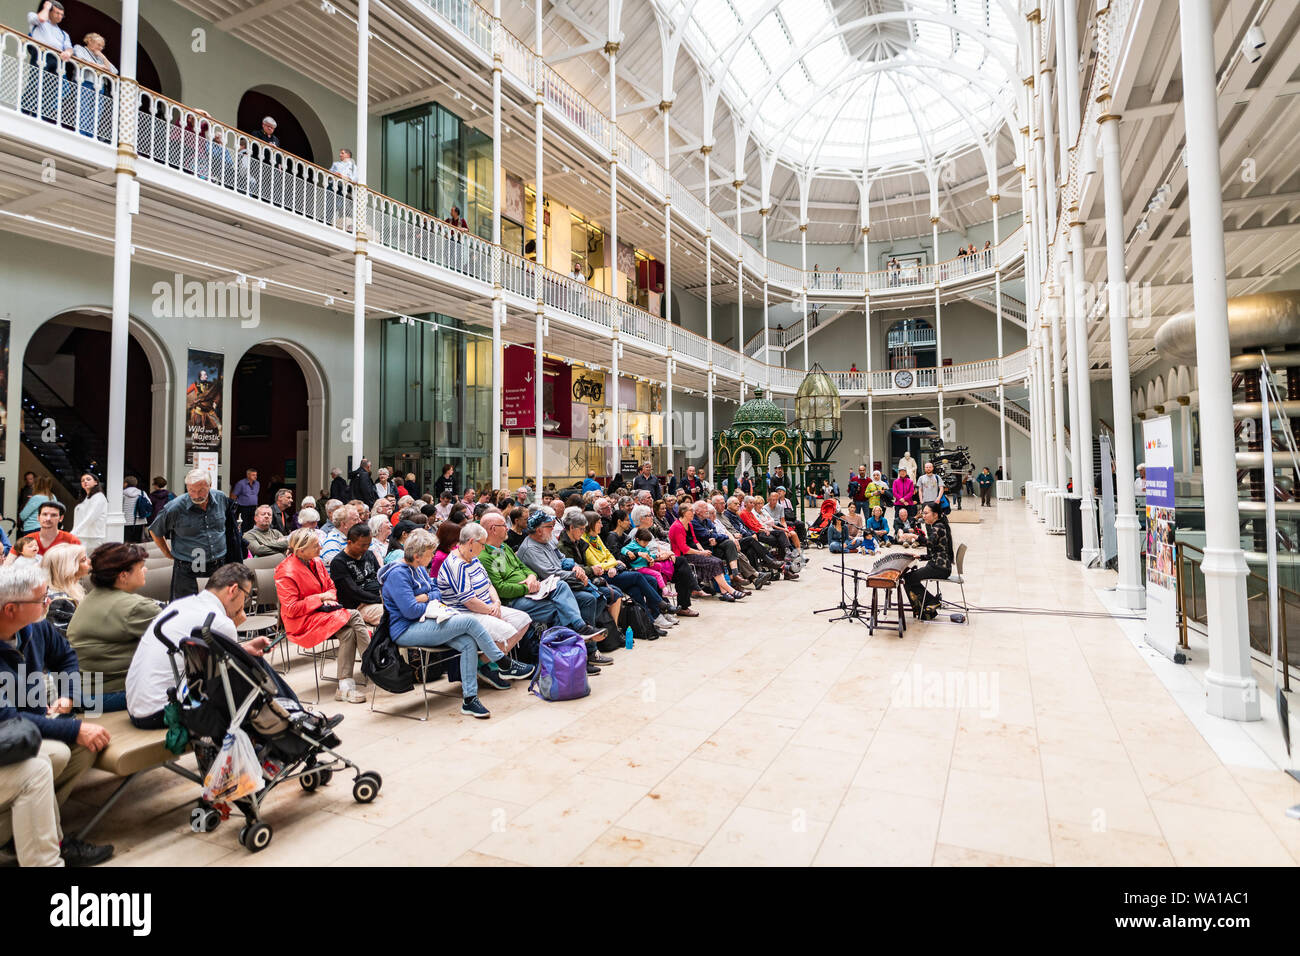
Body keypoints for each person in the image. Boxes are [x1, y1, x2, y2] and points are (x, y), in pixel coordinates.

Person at [0, 563, 114, 866]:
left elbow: (65, 656)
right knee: (40, 765)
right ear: (11, 609)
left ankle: (21, 835)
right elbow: (7, 717)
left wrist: (69, 695)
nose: (48, 603)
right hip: (9, 734)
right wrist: (74, 729)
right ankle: (45, 848)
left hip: (23, 733)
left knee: (78, 749)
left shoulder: (34, 626)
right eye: (41, 599)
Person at [382, 529, 530, 719]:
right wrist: (429, 600)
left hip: (426, 620)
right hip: (406, 629)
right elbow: (410, 611)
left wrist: (425, 597)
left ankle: (470, 699)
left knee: (468, 642)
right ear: (418, 555)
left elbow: (437, 592)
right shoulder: (398, 574)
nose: (433, 557)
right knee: (468, 621)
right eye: (430, 554)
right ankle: (503, 662)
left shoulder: (418, 567)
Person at [125, 564, 272, 733]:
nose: (244, 605)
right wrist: (234, 631)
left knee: (249, 665)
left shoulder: (180, 605)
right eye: (246, 597)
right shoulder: (220, 622)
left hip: (139, 706)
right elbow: (228, 679)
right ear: (233, 590)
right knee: (250, 683)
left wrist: (242, 649)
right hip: (162, 710)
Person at [478, 512, 605, 649]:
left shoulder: (504, 547)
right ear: (493, 529)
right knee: (560, 608)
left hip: (534, 589)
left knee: (563, 588)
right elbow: (501, 589)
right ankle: (570, 653)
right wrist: (528, 587)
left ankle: (580, 635)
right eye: (503, 525)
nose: (507, 527)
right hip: (516, 599)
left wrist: (531, 577)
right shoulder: (486, 556)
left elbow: (524, 568)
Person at [275, 528, 372, 703]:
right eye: (315, 545)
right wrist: (319, 598)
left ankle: (345, 687)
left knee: (348, 633)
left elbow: (331, 587)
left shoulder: (317, 561)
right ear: (300, 551)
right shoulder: (285, 571)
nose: (321, 547)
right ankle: (372, 661)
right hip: (302, 621)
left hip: (323, 612)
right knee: (355, 615)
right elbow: (290, 609)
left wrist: (328, 599)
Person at [65, 543, 159, 715]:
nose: (145, 571)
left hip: (82, 690)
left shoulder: (94, 596)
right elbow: (178, 632)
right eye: (141, 567)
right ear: (124, 576)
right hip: (104, 693)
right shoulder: (134, 607)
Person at [437, 522, 535, 652]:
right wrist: (491, 610)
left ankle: (488, 661)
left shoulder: (473, 557)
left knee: (523, 620)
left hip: (487, 606)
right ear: (471, 542)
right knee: (509, 631)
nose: (483, 548)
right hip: (466, 613)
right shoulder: (456, 565)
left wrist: (497, 602)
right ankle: (492, 665)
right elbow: (469, 602)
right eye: (482, 544)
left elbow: (488, 584)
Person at [149, 469, 230, 601]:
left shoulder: (221, 498)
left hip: (218, 565)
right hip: (189, 567)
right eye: (192, 490)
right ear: (187, 487)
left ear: (210, 486)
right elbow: (155, 531)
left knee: (216, 607)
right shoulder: (175, 507)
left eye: (201, 490)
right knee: (187, 609)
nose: (196, 495)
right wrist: (167, 553)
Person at [671, 501, 746, 602]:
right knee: (714, 562)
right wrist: (701, 553)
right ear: (685, 513)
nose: (693, 513)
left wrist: (703, 550)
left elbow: (695, 541)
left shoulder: (689, 524)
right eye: (691, 511)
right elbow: (684, 549)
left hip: (695, 552)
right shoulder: (677, 526)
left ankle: (724, 593)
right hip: (683, 556)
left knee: (718, 561)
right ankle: (730, 591)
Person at [329, 523, 384, 627]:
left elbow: (381, 578)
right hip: (359, 605)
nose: (366, 548)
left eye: (368, 544)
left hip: (379, 597)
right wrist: (381, 600)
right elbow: (353, 592)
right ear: (350, 542)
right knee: (391, 613)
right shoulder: (339, 562)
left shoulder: (369, 554)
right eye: (363, 545)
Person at [902, 503, 953, 611]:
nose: (923, 516)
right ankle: (925, 610)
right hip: (940, 566)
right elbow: (935, 549)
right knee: (909, 578)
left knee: (908, 578)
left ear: (935, 515)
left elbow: (929, 543)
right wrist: (920, 556)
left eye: (926, 513)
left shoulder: (938, 526)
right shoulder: (939, 525)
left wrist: (914, 536)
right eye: (923, 513)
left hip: (939, 567)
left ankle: (932, 603)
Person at [41, 543, 88, 630]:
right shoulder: (60, 602)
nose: (89, 562)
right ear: (69, 567)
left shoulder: (72, 589)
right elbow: (63, 638)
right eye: (83, 560)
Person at [68, 474, 107, 554]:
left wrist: (74, 532)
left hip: (92, 538)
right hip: (82, 536)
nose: (85, 481)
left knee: (89, 563)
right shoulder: (86, 497)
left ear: (96, 482)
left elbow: (90, 517)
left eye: (88, 479)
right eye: (82, 480)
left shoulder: (99, 497)